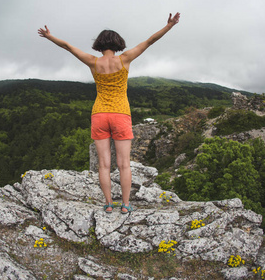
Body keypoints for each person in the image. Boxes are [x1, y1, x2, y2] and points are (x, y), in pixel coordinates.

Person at [38, 12, 180, 213]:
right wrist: (169, 26)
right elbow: (150, 41)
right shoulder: (125, 59)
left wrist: (49, 36)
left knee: (103, 165)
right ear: (117, 43)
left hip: (99, 114)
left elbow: (68, 47)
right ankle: (126, 205)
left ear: (99, 44)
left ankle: (108, 204)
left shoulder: (93, 62)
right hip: (121, 114)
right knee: (124, 165)